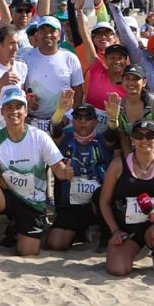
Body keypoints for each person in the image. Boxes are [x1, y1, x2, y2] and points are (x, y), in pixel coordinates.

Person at [0, 86, 73, 259]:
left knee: (27, 252)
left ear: (26, 111)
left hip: (33, 203)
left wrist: (67, 172)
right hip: (9, 196)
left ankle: (15, 228)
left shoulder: (40, 137)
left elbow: (59, 170)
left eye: (18, 107)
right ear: (2, 112)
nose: (14, 112)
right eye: (9, 107)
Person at [98, 120, 154, 276]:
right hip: (126, 230)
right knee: (118, 270)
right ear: (132, 139)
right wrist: (115, 230)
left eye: (149, 135)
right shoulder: (118, 165)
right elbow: (104, 202)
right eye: (138, 135)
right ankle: (128, 250)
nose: (144, 140)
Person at [44, 104, 114, 251]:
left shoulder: (103, 140)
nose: (83, 121)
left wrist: (113, 117)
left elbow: (112, 133)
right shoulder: (65, 138)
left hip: (98, 205)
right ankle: (79, 231)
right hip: (72, 206)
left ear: (95, 121)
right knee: (55, 243)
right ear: (73, 120)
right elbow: (54, 130)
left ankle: (105, 233)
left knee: (101, 195)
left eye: (88, 117)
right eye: (78, 117)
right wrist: (60, 110)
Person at [22, 15, 84, 135]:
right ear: (37, 34)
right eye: (43, 31)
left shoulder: (70, 58)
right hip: (33, 123)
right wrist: (27, 98)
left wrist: (69, 115)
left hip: (63, 123)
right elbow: (20, 88)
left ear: (59, 34)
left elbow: (79, 92)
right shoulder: (25, 58)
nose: (48, 34)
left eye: (52, 31)